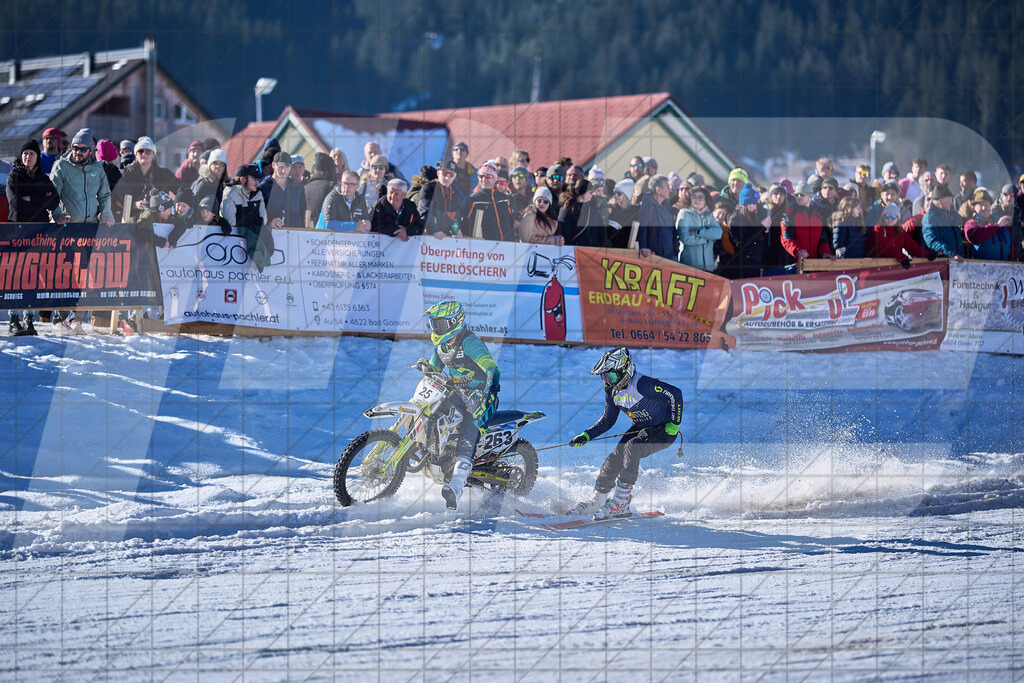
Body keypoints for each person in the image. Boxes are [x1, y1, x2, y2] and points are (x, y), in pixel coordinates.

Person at [567, 347, 682, 520]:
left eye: (610, 376)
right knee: (615, 456)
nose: (607, 382)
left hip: (663, 431)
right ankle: (598, 500)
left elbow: (675, 394)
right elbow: (608, 420)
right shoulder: (612, 392)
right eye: (604, 377)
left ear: (624, 370)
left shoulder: (643, 385)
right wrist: (587, 435)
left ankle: (622, 501)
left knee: (632, 447)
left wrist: (674, 424)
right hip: (641, 427)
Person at [415, 300, 500, 511]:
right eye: (433, 324)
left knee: (468, 434)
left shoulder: (470, 342)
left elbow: (492, 369)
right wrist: (426, 368)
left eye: (439, 325)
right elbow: (435, 370)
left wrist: (487, 393)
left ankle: (456, 486)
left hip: (480, 396)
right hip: (456, 392)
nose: (435, 329)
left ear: (454, 322)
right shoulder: (441, 346)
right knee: (432, 412)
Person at [49, 128, 115, 227]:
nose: (78, 152)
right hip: (66, 225)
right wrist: (58, 215)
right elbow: (52, 194)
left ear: (90, 151)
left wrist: (106, 214)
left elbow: (104, 195)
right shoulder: (61, 166)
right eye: (75, 148)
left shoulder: (97, 168)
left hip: (89, 226)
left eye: (83, 149)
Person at [221, 164, 274, 271]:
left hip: (248, 245)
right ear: (243, 179)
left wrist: (244, 217)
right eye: (254, 179)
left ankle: (260, 259)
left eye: (258, 179)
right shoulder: (230, 193)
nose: (257, 182)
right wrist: (252, 218)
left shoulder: (257, 194)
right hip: (231, 248)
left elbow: (263, 219)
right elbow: (231, 221)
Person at [114, 136, 177, 218]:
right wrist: (133, 204)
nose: (144, 154)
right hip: (131, 220)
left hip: (159, 220)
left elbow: (180, 191)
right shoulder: (125, 173)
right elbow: (114, 197)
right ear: (136, 154)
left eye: (148, 151)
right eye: (141, 151)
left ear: (153, 154)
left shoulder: (165, 174)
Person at [718, 182, 769, 278]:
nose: (755, 206)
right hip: (741, 264)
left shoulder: (753, 215)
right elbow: (744, 241)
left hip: (754, 261)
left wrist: (765, 229)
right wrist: (762, 226)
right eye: (753, 203)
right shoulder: (735, 217)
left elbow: (758, 238)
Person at [7, 139, 59, 222]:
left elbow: (54, 202)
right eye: (25, 153)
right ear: (21, 156)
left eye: (32, 153)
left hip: (41, 228)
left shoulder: (43, 178)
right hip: (19, 227)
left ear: (37, 156)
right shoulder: (14, 177)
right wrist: (43, 202)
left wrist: (31, 198)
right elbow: (15, 204)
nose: (28, 157)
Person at [782, 181, 834, 262]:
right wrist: (798, 251)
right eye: (796, 195)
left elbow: (823, 239)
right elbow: (787, 239)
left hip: (814, 263)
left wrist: (825, 252)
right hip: (795, 262)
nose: (799, 197)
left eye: (802, 194)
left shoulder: (818, 215)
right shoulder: (789, 214)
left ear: (810, 197)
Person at [462, 162, 515, 241]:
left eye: (488, 176)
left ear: (495, 178)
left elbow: (511, 222)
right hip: (485, 246)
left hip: (506, 245)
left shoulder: (504, 199)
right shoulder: (473, 199)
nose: (484, 179)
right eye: (481, 176)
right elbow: (465, 225)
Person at [676, 186, 721, 271]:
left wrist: (699, 232)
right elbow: (686, 238)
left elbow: (718, 233)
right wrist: (707, 239)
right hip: (690, 266)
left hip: (708, 266)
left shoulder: (709, 215)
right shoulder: (684, 214)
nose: (697, 200)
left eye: (701, 197)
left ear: (706, 200)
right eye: (694, 197)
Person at [259, 151, 307, 228]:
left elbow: (303, 214)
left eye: (287, 167)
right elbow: (256, 216)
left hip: (294, 235)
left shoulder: (298, 189)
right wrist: (268, 223)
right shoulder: (263, 188)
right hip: (271, 235)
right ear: (273, 165)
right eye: (280, 167)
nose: (283, 171)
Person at [964, 189, 1014, 261]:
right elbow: (974, 237)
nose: (984, 208)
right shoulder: (971, 223)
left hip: (1004, 266)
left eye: (986, 205)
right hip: (982, 268)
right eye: (981, 205)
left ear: (990, 206)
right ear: (974, 207)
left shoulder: (1000, 221)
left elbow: (1011, 244)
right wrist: (996, 226)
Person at [418, 160, 465, 236]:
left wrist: (456, 231)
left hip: (444, 241)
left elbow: (456, 218)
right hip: (428, 237)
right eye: (445, 173)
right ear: (438, 173)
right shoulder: (429, 188)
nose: (447, 177)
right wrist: (434, 230)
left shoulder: (454, 194)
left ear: (454, 177)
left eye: (451, 174)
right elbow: (424, 211)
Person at [636, 174, 676, 259]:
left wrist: (675, 252)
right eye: (667, 187)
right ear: (658, 190)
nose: (670, 190)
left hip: (670, 257)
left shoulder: (668, 208)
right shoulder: (647, 204)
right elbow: (642, 228)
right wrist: (643, 247)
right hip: (654, 256)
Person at [559, 179, 607, 248]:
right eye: (590, 192)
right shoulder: (567, 209)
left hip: (592, 250)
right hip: (575, 251)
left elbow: (601, 232)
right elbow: (564, 234)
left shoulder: (592, 208)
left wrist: (604, 246)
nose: (592, 194)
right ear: (582, 192)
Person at [922, 184, 965, 260]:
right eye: (949, 201)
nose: (951, 203)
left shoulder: (951, 214)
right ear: (939, 202)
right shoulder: (930, 218)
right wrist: (951, 253)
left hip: (958, 259)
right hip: (941, 261)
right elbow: (932, 241)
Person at [304, 152, 338, 227]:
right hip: (325, 231)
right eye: (335, 170)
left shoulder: (305, 187)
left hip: (306, 231)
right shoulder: (332, 187)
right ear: (330, 170)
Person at [191, 149, 228, 215]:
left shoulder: (226, 184)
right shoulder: (204, 183)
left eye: (221, 164)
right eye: (215, 163)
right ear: (209, 165)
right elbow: (195, 206)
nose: (218, 166)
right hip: (205, 223)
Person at [607, 178, 638, 249]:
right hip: (608, 248)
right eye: (614, 192)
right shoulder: (609, 208)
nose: (615, 195)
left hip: (623, 250)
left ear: (627, 195)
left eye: (619, 193)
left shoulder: (634, 212)